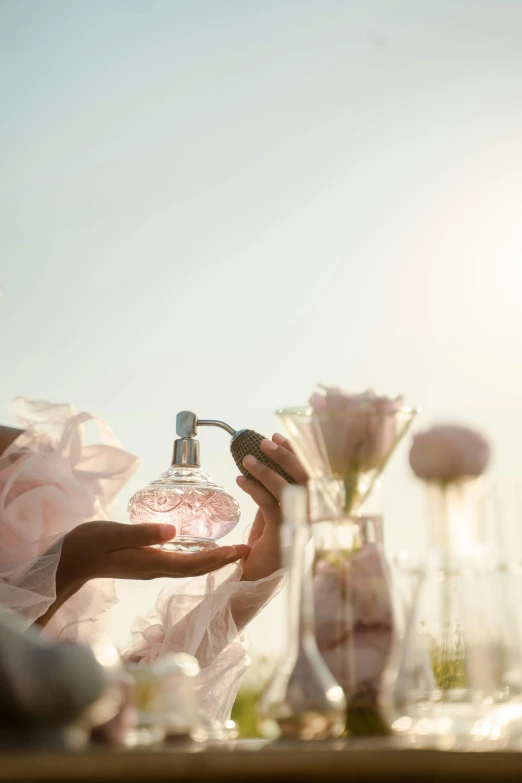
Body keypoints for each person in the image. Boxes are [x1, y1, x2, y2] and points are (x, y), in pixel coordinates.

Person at [0, 397, 307, 721]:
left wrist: (257, 575)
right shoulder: (33, 483)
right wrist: (67, 568)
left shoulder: (31, 473)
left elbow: (129, 691)